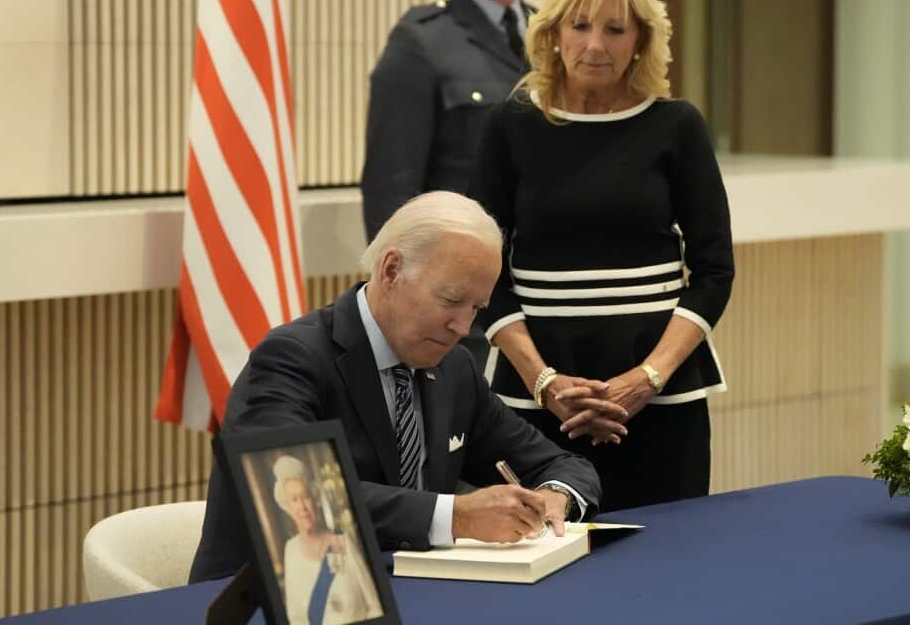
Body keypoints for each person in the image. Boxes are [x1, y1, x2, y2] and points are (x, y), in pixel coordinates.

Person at [190, 191, 602, 584]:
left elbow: (563, 465)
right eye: (450, 299)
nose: (463, 327)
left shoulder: (454, 368)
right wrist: (456, 516)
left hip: (416, 593)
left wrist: (553, 497)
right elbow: (298, 501)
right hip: (276, 600)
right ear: (391, 271)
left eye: (476, 308)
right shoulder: (291, 359)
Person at [472, 0, 735, 512]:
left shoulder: (677, 127)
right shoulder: (509, 127)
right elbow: (483, 274)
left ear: (641, 39)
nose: (595, 45)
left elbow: (714, 271)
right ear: (553, 31)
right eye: (581, 24)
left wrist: (646, 378)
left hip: (662, 404)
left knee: (668, 566)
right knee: (539, 561)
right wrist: (546, 382)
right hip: (534, 404)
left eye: (616, 29)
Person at [359, 0, 544, 366]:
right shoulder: (423, 42)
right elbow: (391, 191)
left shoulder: (554, 38)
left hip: (545, 305)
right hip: (466, 320)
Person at [270, 456, 381, 625]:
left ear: (315, 500)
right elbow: (296, 616)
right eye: (294, 500)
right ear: (288, 508)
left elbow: (375, 605)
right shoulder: (291, 550)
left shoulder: (342, 542)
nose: (302, 507)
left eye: (306, 496)